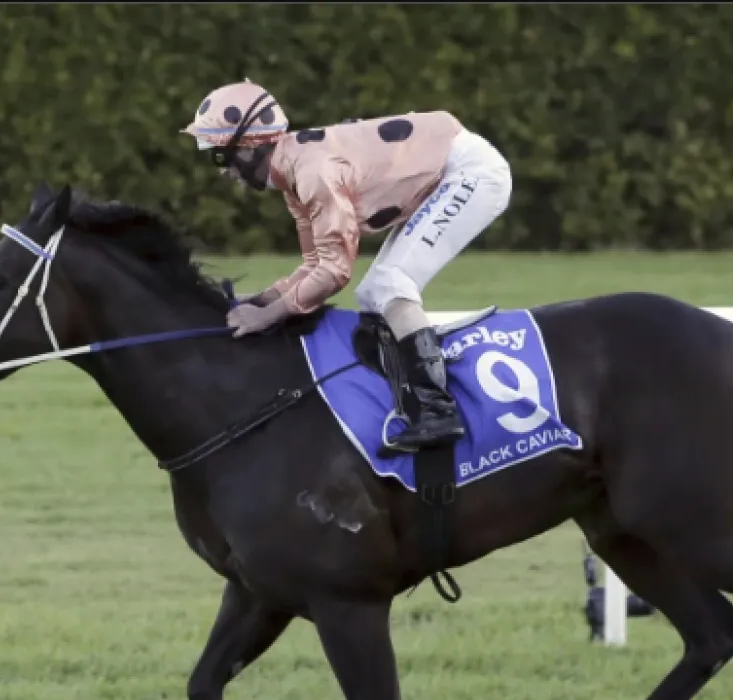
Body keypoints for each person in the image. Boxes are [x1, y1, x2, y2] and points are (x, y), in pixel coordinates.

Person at [181, 80, 513, 453]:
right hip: (447, 170)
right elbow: (315, 263)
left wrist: (269, 315)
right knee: (374, 293)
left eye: (221, 155)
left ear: (251, 145)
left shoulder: (313, 173)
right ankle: (409, 401)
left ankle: (439, 411)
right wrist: (262, 299)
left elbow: (336, 271)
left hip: (470, 173)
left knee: (390, 284)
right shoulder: (293, 171)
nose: (222, 170)